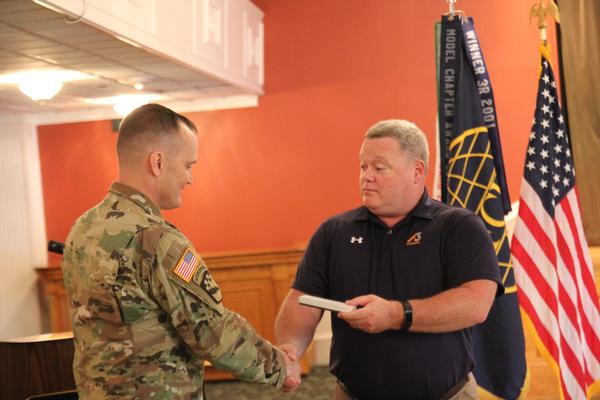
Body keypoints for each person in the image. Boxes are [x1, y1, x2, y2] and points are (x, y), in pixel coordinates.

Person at [61, 103, 300, 399]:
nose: (190, 179)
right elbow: (211, 330)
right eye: (188, 165)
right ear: (158, 162)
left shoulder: (82, 228)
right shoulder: (156, 240)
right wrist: (280, 367)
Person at [275, 119, 503, 400]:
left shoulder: (458, 226)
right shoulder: (333, 232)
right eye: (362, 166)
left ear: (417, 171)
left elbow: (475, 304)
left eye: (379, 168)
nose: (366, 176)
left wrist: (395, 314)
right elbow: (303, 300)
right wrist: (291, 348)